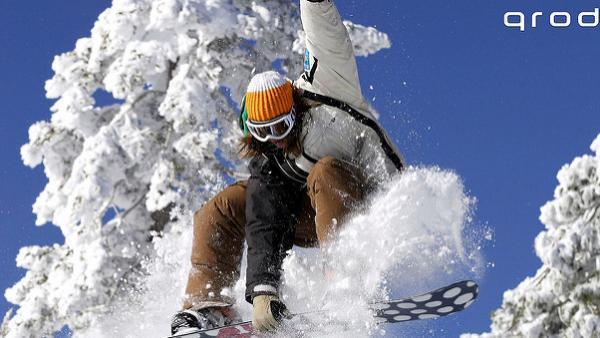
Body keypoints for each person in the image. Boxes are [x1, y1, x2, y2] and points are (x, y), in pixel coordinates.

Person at [170, 0, 405, 334]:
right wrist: (265, 290)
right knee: (226, 204)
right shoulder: (270, 155)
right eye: (262, 132)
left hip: (374, 203)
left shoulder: (329, 89)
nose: (273, 139)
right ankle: (208, 305)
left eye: (280, 127)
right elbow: (265, 219)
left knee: (325, 170)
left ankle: (345, 281)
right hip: (318, 215)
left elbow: (327, 37)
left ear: (295, 109)